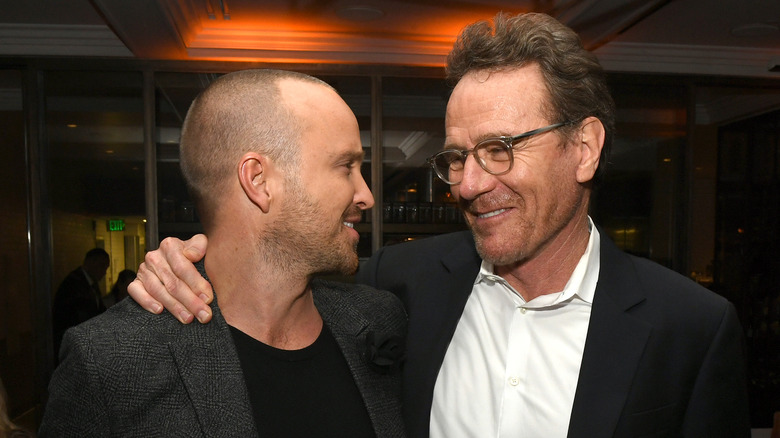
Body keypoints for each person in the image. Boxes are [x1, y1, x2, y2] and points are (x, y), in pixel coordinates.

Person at [127, 13, 751, 438]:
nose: (471, 184)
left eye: (501, 148)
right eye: (457, 157)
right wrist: (180, 266)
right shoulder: (397, 289)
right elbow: (267, 284)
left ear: (584, 148)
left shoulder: (689, 328)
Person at [39, 69, 407, 437]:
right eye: (346, 167)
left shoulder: (378, 320)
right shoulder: (110, 361)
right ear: (259, 181)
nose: (366, 196)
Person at [51, 248, 110, 361]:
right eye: (102, 266)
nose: (104, 272)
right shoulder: (73, 284)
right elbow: (82, 316)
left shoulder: (92, 284)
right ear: (90, 263)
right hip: (74, 343)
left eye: (106, 267)